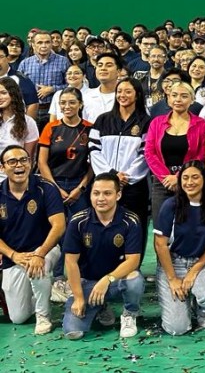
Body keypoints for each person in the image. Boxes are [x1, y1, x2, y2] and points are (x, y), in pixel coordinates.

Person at [61, 172, 145, 339]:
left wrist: (107, 280)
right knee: (73, 332)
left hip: (116, 281)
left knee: (135, 279)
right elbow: (70, 262)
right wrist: (78, 297)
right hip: (88, 283)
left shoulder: (131, 221)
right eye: (96, 193)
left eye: (107, 193)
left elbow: (133, 261)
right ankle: (100, 306)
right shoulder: (78, 222)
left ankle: (130, 313)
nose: (101, 198)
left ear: (118, 195)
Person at [153, 160, 205, 335]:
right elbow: (160, 245)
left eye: (195, 177)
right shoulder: (170, 205)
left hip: (200, 262)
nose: (189, 182)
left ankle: (202, 309)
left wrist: (194, 271)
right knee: (177, 329)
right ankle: (182, 301)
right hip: (173, 264)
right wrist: (172, 279)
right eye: (185, 178)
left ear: (204, 179)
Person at [0, 144, 65, 334]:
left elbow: (59, 225)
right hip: (15, 256)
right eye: (12, 161)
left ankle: (43, 316)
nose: (18, 165)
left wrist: (40, 253)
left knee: (38, 268)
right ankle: (42, 293)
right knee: (18, 318)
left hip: (46, 249)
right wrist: (14, 255)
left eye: (23, 160)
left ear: (31, 163)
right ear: (2, 167)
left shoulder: (46, 188)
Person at [37, 87, 93, 302]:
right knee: (57, 230)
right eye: (63, 103)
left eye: (72, 102)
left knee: (81, 230)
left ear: (80, 104)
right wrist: (55, 189)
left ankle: (83, 275)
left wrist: (80, 188)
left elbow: (93, 164)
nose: (67, 107)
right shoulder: (51, 128)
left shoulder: (89, 129)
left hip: (80, 186)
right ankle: (58, 277)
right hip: (55, 185)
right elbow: (42, 162)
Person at [88, 78, 151, 259]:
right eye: (119, 91)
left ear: (137, 95)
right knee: (105, 223)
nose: (122, 95)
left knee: (135, 224)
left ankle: (133, 266)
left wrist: (127, 176)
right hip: (105, 185)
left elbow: (145, 154)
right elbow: (94, 150)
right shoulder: (103, 120)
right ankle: (105, 263)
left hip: (134, 186)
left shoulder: (146, 122)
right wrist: (112, 176)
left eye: (128, 91)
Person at [145, 81, 205, 226]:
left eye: (184, 96)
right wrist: (166, 178)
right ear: (168, 98)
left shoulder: (201, 124)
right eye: (174, 95)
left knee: (188, 227)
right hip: (162, 183)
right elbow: (149, 152)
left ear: (192, 100)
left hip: (190, 182)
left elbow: (201, 155)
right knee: (161, 228)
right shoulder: (156, 122)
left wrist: (179, 177)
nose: (178, 99)